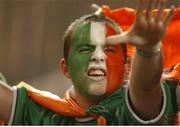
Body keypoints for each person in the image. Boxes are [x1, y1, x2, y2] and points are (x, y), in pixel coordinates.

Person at [0, 0, 179, 125]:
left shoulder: (135, 109)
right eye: (86, 49)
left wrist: (148, 49)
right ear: (65, 68)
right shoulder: (42, 115)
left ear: (127, 67)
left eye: (109, 50)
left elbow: (145, 88)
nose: (98, 57)